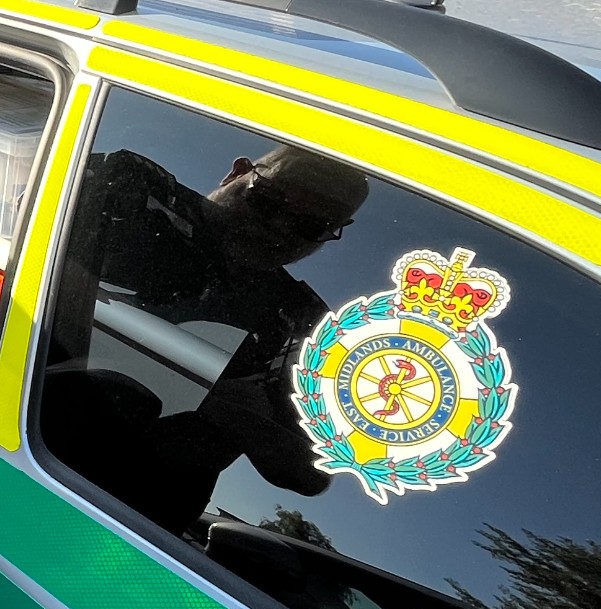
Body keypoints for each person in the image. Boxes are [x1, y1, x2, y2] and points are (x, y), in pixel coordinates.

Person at [42, 144, 368, 528]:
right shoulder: (130, 191)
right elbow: (29, 264)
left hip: (146, 523)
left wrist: (245, 416)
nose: (279, 228)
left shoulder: (302, 323)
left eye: (310, 226)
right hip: (30, 446)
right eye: (267, 201)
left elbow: (312, 473)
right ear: (238, 172)